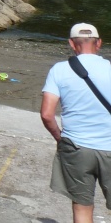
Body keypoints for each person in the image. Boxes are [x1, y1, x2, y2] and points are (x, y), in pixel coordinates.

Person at [41, 23, 111, 223]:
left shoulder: (59, 70)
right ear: (99, 43)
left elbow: (47, 114)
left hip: (76, 146)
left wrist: (59, 137)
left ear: (72, 44)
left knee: (82, 207)